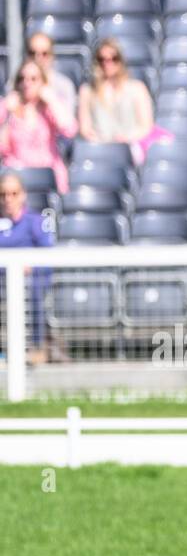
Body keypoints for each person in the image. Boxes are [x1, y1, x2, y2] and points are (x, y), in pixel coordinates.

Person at [0, 171, 57, 364]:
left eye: (13, 193)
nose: (8, 199)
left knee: (34, 291)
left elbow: (47, 255)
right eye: (3, 194)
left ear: (22, 194)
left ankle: (37, 349)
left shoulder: (35, 222)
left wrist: (30, 266)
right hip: (2, 279)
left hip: (30, 281)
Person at [0, 61, 77, 192]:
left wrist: (52, 100)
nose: (26, 83)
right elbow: (2, 147)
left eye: (33, 79)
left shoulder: (50, 107)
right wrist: (8, 115)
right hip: (17, 177)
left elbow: (69, 130)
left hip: (47, 173)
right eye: (22, 78)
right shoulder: (6, 106)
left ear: (43, 82)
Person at [77, 38, 154, 151]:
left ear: (121, 61)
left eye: (114, 58)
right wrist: (99, 141)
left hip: (130, 147)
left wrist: (127, 138)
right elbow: (85, 128)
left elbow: (146, 126)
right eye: (101, 59)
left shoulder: (137, 88)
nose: (107, 63)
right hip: (99, 147)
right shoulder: (87, 91)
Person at [25, 33, 78, 123]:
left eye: (44, 53)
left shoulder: (64, 85)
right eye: (32, 53)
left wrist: (52, 101)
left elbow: (69, 126)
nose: (38, 58)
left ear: (52, 56)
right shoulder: (19, 84)